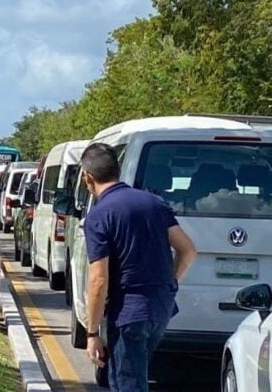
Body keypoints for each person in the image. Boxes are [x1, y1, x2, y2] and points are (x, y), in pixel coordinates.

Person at [81, 143, 197, 392]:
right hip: (160, 308)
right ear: (117, 171)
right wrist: (170, 283)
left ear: (87, 177)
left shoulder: (99, 215)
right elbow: (188, 250)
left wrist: (91, 334)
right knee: (135, 376)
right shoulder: (154, 202)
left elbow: (98, 280)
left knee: (127, 383)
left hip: (128, 312)